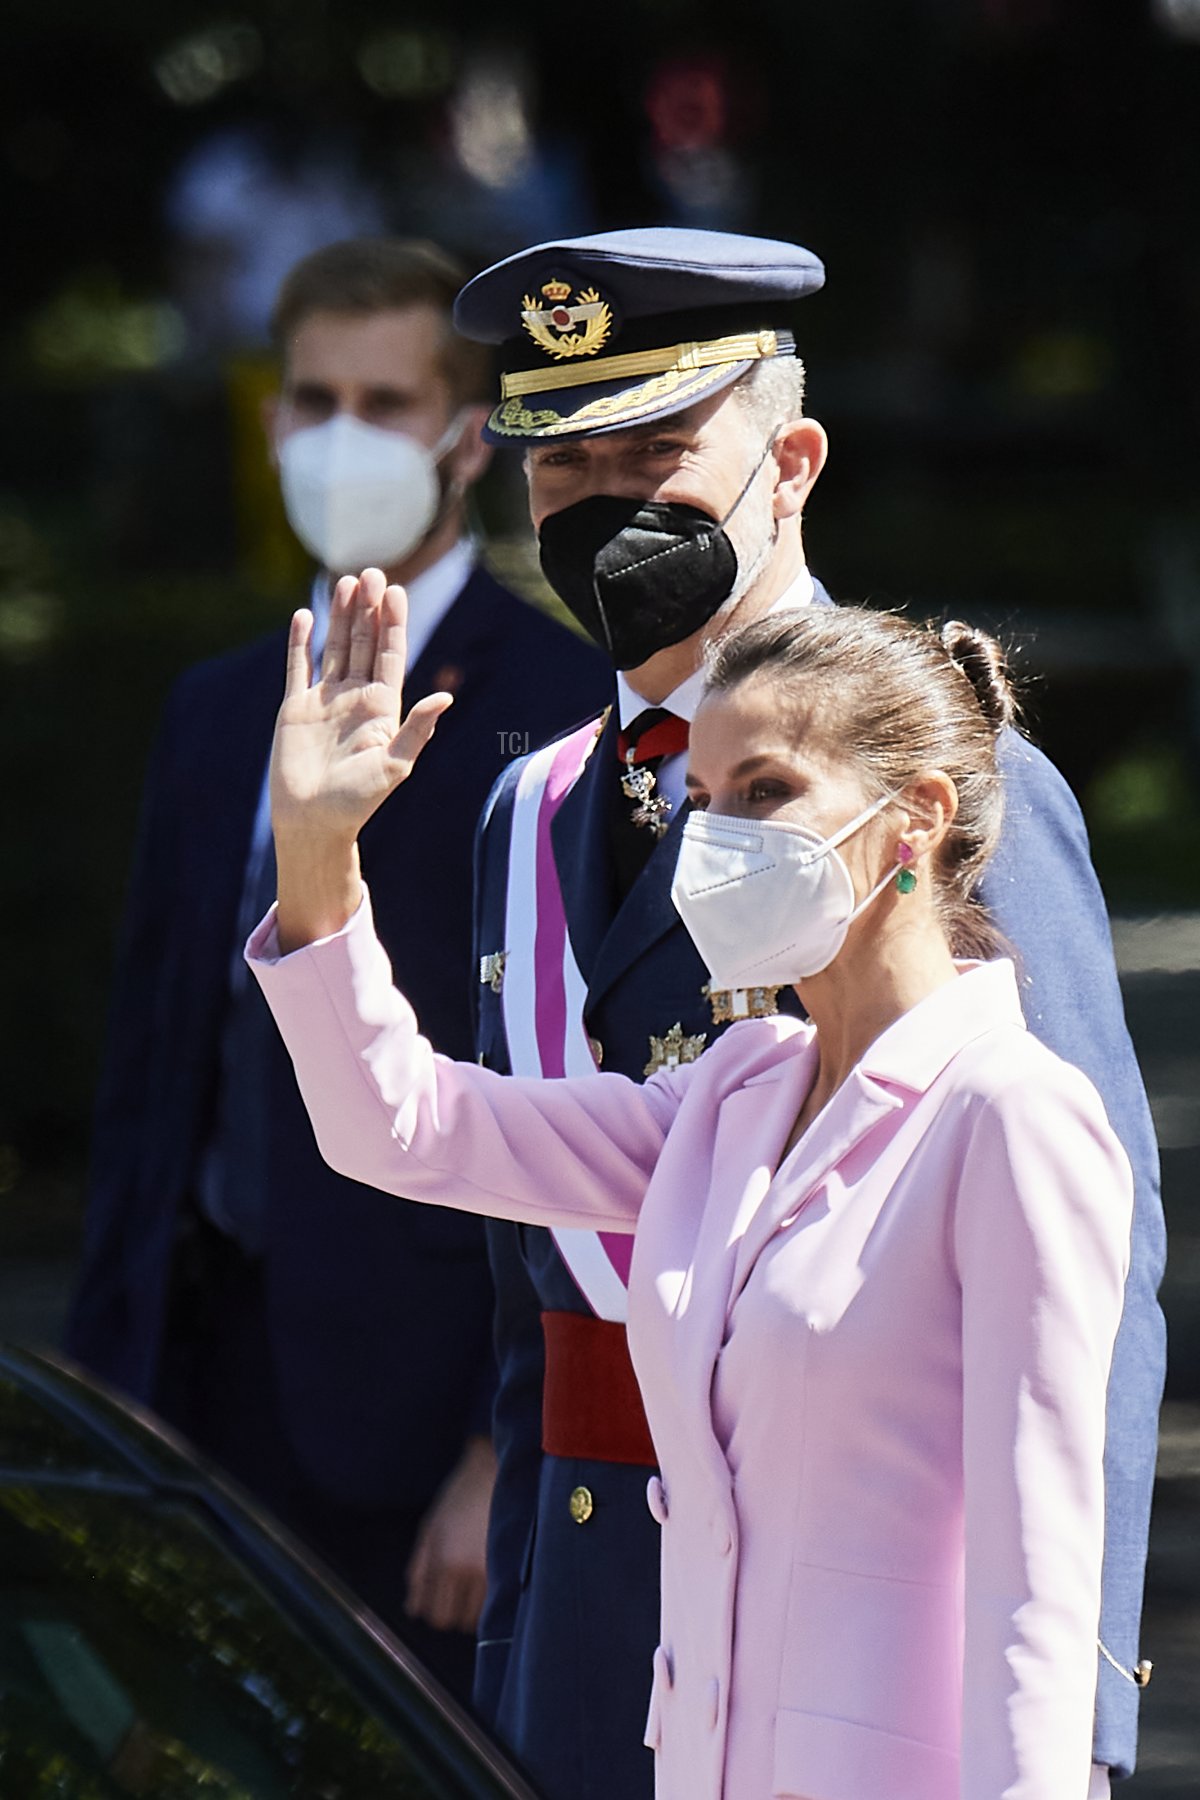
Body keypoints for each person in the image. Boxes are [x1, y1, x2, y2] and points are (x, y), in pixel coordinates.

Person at [448, 228, 1162, 1799]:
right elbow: (533, 1306)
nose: (606, 504)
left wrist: (1077, 1723)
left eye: (656, 453)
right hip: (592, 1621)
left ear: (792, 463)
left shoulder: (939, 776)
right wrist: (514, 1656)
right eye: (563, 467)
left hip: (855, 1638)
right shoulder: (531, 806)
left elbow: (1090, 1287)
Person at [246, 575, 1134, 1800]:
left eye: (765, 791)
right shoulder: (734, 1094)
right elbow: (402, 1128)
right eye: (702, 803)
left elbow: (1039, 1585)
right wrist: (316, 857)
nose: (715, 841)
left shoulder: (1011, 1113)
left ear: (917, 817)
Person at [64, 237, 608, 1699]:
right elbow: (153, 1058)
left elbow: (571, 1074)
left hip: (425, 1391)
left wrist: (505, 1442)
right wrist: (106, 1379)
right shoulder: (214, 706)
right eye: (316, 399)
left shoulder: (563, 704)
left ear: (469, 434)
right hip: (201, 1368)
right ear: (269, 419)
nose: (343, 436)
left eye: (386, 400)